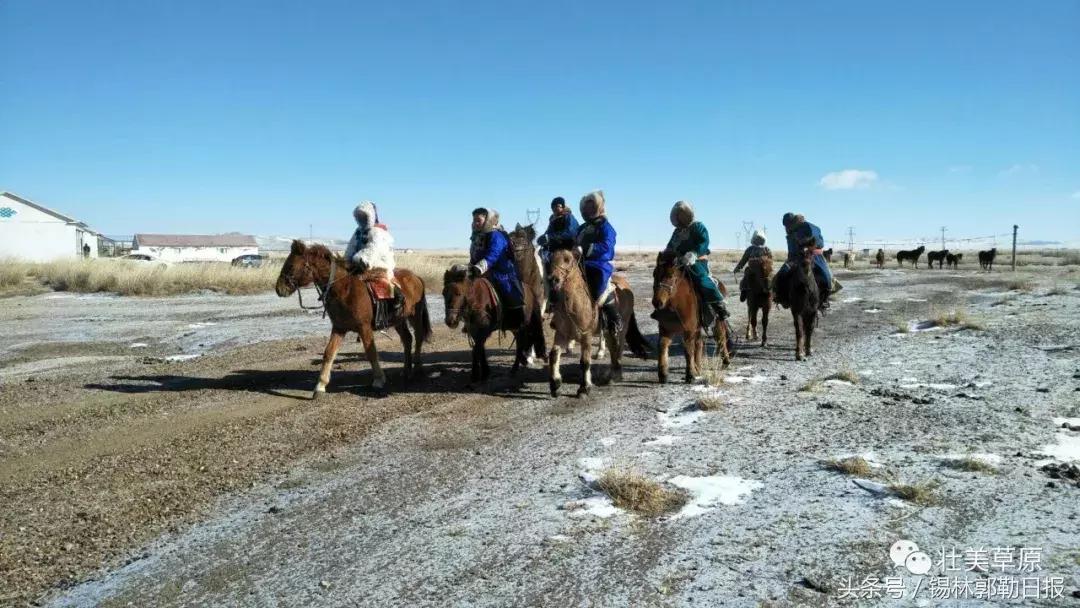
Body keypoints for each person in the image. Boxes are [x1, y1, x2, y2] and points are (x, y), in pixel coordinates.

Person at [663, 201, 730, 322]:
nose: (680, 217)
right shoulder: (677, 231)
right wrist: (666, 254)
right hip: (679, 262)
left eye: (682, 215)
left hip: (697, 261)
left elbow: (704, 242)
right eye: (678, 215)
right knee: (665, 279)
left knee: (700, 278)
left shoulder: (698, 226)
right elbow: (671, 245)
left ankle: (718, 305)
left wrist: (693, 254)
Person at [469, 207, 525, 327]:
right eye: (474, 220)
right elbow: (475, 254)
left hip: (501, 272)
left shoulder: (496, 235)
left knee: (509, 292)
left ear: (489, 220)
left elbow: (494, 253)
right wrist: (470, 266)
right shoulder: (477, 237)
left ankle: (517, 320)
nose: (475, 223)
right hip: (483, 271)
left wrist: (480, 267)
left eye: (478, 220)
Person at [772, 212, 838, 310]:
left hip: (813, 257)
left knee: (826, 278)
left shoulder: (808, 226)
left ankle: (824, 299)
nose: (786, 228)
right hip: (793, 260)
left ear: (792, 222)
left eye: (787, 225)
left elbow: (819, 242)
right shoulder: (790, 233)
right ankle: (781, 298)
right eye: (785, 226)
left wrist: (806, 243)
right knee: (779, 276)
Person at [576, 190, 620, 332]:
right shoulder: (582, 228)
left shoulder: (605, 226)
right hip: (580, 262)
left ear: (597, 207)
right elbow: (574, 241)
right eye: (586, 207)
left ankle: (614, 319)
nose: (588, 209)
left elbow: (607, 245)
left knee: (599, 286)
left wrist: (588, 248)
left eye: (591, 206)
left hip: (599, 264)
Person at [732, 230, 772, 302]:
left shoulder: (766, 249)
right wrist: (738, 268)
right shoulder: (750, 249)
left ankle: (772, 292)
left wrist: (767, 265)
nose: (758, 240)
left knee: (770, 278)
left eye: (760, 239)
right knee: (746, 276)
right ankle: (743, 291)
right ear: (755, 239)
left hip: (764, 268)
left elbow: (770, 260)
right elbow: (743, 260)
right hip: (752, 269)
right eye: (757, 239)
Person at [536, 196, 579, 262]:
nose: (555, 208)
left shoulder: (569, 217)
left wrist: (551, 237)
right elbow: (548, 232)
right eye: (553, 207)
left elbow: (570, 232)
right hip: (555, 249)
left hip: (568, 248)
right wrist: (542, 238)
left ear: (563, 206)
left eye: (558, 206)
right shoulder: (553, 220)